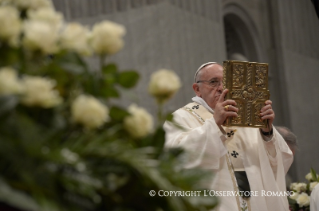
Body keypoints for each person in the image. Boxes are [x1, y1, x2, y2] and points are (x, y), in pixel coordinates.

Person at [164, 62, 294, 211]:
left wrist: (267, 132)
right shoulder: (180, 118)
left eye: (226, 82)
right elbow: (175, 160)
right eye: (213, 82)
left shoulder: (247, 117)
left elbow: (282, 160)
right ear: (197, 89)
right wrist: (215, 124)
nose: (221, 88)